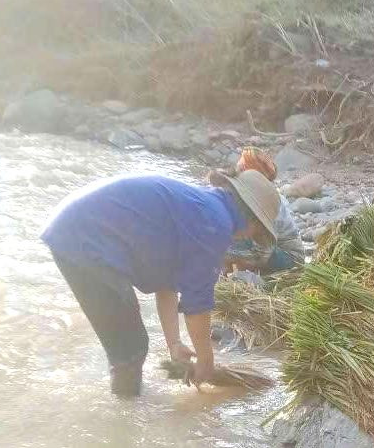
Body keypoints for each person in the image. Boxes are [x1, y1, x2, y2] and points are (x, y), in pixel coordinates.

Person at [42, 169, 280, 396]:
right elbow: (197, 306)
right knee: (130, 349)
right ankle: (125, 421)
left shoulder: (203, 207)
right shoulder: (214, 224)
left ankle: (126, 407)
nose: (250, 237)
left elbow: (166, 286)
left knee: (129, 344)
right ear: (252, 220)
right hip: (84, 238)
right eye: (256, 232)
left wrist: (174, 345)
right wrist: (207, 362)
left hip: (72, 228)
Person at [221, 148, 306, 276]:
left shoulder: (271, 201)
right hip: (265, 249)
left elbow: (265, 247)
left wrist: (235, 261)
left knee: (236, 242)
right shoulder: (246, 195)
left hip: (289, 257)